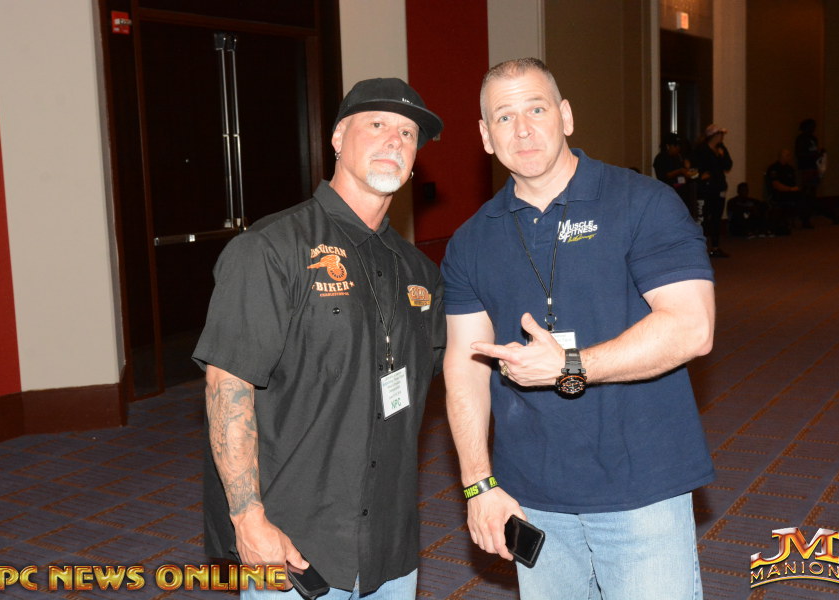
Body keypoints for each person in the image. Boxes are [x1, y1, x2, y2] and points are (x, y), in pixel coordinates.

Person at [441, 58, 715, 600]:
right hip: (531, 498)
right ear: (486, 136)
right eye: (504, 117)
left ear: (565, 116)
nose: (523, 129)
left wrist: (570, 365)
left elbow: (692, 327)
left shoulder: (642, 202)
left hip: (641, 490)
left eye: (537, 109)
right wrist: (478, 485)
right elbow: (463, 366)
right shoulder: (471, 241)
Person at [193, 77, 446, 600]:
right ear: (336, 138)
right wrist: (247, 519)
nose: (394, 140)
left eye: (407, 133)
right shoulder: (271, 250)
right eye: (377, 124)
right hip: (292, 548)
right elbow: (226, 386)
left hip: (390, 550)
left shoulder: (419, 273)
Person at [692, 123, 733, 257]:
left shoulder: (721, 148)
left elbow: (728, 165)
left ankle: (715, 247)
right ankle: (699, 248)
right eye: (720, 134)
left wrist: (722, 156)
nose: (722, 137)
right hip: (705, 189)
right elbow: (693, 168)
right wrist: (701, 176)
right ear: (713, 135)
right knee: (703, 219)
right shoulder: (701, 150)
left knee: (716, 218)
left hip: (719, 187)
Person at [795, 119, 839, 226]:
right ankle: (808, 218)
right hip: (806, 169)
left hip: (814, 168)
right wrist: (814, 155)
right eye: (812, 126)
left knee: (812, 194)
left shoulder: (813, 139)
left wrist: (820, 154)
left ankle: (825, 216)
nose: (814, 129)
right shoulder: (801, 139)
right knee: (807, 195)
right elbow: (800, 154)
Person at [653, 132, 697, 218]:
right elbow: (663, 176)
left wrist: (687, 169)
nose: (678, 148)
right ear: (668, 146)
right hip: (669, 193)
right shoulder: (661, 158)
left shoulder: (679, 157)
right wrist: (680, 171)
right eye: (675, 146)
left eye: (679, 146)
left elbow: (690, 174)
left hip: (683, 192)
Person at [766, 148, 805, 231]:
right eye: (787, 155)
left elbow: (793, 182)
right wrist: (790, 189)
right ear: (781, 156)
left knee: (804, 197)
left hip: (791, 192)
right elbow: (776, 185)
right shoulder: (774, 168)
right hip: (779, 193)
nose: (789, 157)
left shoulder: (790, 169)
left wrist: (795, 188)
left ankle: (805, 220)